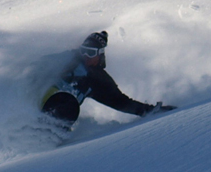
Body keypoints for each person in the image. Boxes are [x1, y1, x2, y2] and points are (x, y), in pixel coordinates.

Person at [41, 31, 175, 124]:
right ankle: (46, 108)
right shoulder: (66, 59)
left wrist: (150, 111)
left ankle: (54, 124)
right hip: (44, 96)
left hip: (63, 108)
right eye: (83, 51)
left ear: (100, 54)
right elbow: (39, 65)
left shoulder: (97, 80)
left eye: (91, 53)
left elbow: (121, 102)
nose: (85, 55)